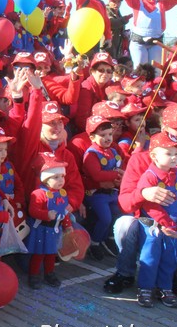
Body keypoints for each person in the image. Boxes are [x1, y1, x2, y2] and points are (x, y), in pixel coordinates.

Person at [134, 132, 177, 308]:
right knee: (150, 254)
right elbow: (148, 204)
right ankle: (145, 288)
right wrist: (167, 223)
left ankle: (165, 286)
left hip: (173, 224)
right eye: (168, 153)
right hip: (152, 223)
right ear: (154, 156)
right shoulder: (150, 176)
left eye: (176, 154)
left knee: (170, 255)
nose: (174, 157)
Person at [103, 0, 177, 68]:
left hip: (156, 43)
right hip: (138, 43)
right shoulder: (137, 1)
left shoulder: (162, 4)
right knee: (141, 70)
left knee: (156, 71)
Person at [25, 153, 72, 289]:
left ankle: (49, 273)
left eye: (62, 176)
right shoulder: (38, 194)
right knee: (39, 253)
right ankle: (34, 275)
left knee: (51, 253)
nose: (61, 180)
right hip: (41, 229)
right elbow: (33, 211)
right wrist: (46, 214)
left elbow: (64, 212)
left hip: (54, 229)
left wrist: (67, 225)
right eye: (56, 177)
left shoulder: (62, 193)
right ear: (45, 179)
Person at [81, 115, 123, 261]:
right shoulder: (91, 154)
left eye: (110, 134)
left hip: (111, 192)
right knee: (105, 219)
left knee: (117, 214)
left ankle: (107, 238)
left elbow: (119, 166)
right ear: (92, 137)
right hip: (97, 194)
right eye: (103, 135)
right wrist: (117, 174)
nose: (108, 138)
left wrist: (120, 175)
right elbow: (97, 175)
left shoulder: (112, 151)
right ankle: (95, 242)